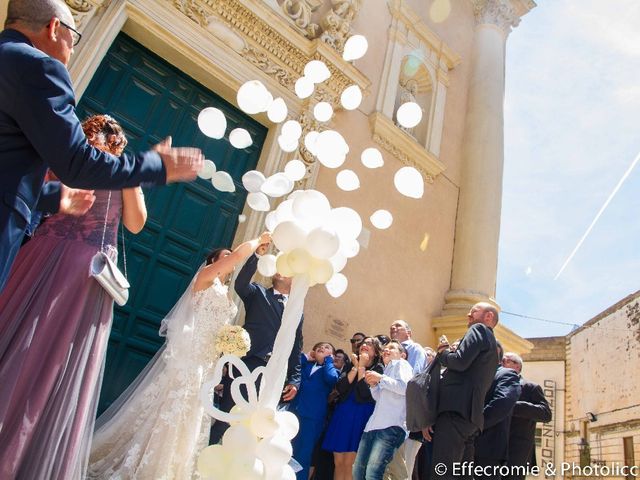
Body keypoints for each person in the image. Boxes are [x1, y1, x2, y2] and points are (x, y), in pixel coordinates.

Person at [0, 0, 203, 292]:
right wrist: (156, 166)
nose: (72, 49)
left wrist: (53, 197)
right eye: (73, 38)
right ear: (55, 28)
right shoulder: (41, 68)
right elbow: (77, 162)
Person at [0, 114, 148, 479]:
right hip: (58, 261)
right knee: (34, 348)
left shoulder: (93, 165)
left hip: (72, 267)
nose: (103, 143)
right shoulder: (78, 163)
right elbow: (135, 222)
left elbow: (136, 222)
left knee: (44, 353)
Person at [87, 232, 271, 479]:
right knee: (176, 407)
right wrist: (258, 240)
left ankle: (177, 469)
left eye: (229, 255)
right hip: (191, 356)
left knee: (193, 413)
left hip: (208, 361)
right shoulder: (205, 278)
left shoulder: (227, 294)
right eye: (223, 255)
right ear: (212, 262)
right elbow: (238, 256)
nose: (229, 257)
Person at [210, 248, 304, 443]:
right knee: (227, 418)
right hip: (247, 365)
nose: (281, 269)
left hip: (272, 373)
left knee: (254, 426)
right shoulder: (257, 292)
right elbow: (240, 284)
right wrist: (257, 255)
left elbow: (295, 346)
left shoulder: (297, 311)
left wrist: (294, 380)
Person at [427, 302, 499, 480]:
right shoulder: (492, 346)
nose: (468, 315)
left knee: (441, 472)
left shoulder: (479, 329)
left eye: (473, 311)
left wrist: (443, 353)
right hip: (471, 419)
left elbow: (459, 362)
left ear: (488, 316)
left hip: (455, 412)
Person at [322, 336, 384, 480]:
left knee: (351, 463)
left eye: (369, 344)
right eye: (363, 343)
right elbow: (341, 387)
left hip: (361, 415)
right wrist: (356, 366)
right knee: (338, 462)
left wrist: (362, 367)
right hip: (343, 413)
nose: (364, 345)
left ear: (375, 352)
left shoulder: (378, 368)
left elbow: (364, 393)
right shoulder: (351, 364)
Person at [353, 340, 414, 480]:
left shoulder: (401, 364)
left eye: (391, 348)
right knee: (358, 471)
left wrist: (380, 378)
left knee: (373, 473)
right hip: (373, 426)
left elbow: (405, 388)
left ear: (402, 355)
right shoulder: (387, 369)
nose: (386, 350)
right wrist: (374, 385)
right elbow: (379, 398)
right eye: (385, 348)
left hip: (390, 426)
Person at [291, 342, 340, 480]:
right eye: (319, 346)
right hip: (294, 412)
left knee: (303, 453)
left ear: (332, 355)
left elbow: (331, 379)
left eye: (327, 348)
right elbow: (295, 367)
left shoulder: (331, 370)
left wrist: (328, 360)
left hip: (312, 417)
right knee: (288, 447)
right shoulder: (307, 364)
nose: (322, 348)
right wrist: (307, 356)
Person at [386, 320, 428, 479]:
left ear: (408, 333)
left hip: (401, 409)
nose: (393, 327)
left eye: (398, 326)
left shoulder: (415, 349)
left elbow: (414, 377)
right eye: (391, 326)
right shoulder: (388, 349)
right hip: (387, 407)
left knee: (400, 461)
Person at [473, 343, 522, 479]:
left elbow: (502, 402)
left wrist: (476, 424)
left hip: (487, 450)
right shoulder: (473, 374)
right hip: (464, 446)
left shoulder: (506, 374)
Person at [503, 353, 552, 480]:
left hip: (517, 450)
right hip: (492, 447)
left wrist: (515, 406)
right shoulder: (492, 385)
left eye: (506, 361)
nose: (502, 363)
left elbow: (546, 414)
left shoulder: (530, 387)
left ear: (517, 366)